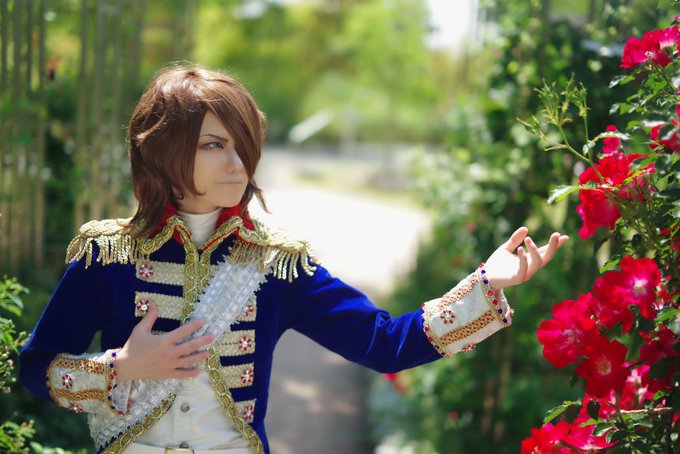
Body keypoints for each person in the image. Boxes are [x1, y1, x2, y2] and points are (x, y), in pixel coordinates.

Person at [19, 64, 569, 454]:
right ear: (163, 150)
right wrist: (121, 368)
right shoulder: (109, 255)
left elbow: (382, 343)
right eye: (214, 145)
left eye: (242, 144)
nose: (238, 163)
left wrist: (484, 286)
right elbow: (34, 369)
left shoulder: (277, 265)